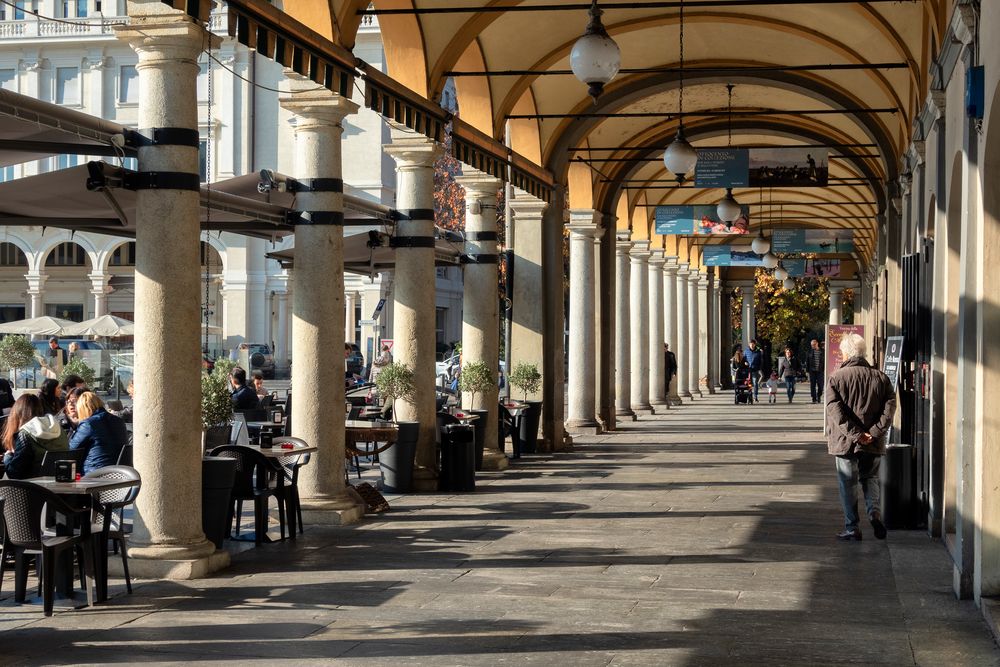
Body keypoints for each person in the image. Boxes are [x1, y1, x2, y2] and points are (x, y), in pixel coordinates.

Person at [826, 333, 896, 541]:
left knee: (848, 482)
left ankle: (852, 526)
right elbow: (889, 408)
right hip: (872, 442)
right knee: (870, 478)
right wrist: (873, 433)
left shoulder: (837, 377)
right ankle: (874, 513)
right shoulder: (881, 377)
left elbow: (834, 410)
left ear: (846, 353)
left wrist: (856, 434)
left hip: (845, 441)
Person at [2, 393, 69, 479]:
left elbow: (14, 473)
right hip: (57, 485)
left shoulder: (26, 434)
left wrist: (8, 456)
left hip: (31, 488)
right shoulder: (59, 430)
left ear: (17, 414)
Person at [70, 392, 128, 474]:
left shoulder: (88, 424)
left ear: (82, 409)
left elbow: (71, 448)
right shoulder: (119, 421)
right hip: (119, 473)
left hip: (95, 473)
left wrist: (75, 428)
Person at [744, 339, 764, 403]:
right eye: (751, 344)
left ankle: (755, 396)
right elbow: (744, 359)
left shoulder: (758, 352)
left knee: (755, 384)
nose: (752, 345)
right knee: (749, 384)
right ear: (749, 344)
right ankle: (750, 396)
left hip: (755, 369)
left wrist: (759, 367)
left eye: (753, 344)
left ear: (755, 344)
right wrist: (745, 362)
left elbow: (761, 361)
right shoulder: (746, 351)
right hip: (748, 370)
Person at [806, 338, 825, 403]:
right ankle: (814, 398)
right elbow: (807, 361)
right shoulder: (809, 351)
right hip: (812, 371)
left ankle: (818, 396)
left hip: (820, 371)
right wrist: (807, 371)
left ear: (817, 344)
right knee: (812, 385)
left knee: (821, 385)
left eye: (814, 344)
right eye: (811, 345)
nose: (812, 346)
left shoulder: (823, 351)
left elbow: (825, 361)